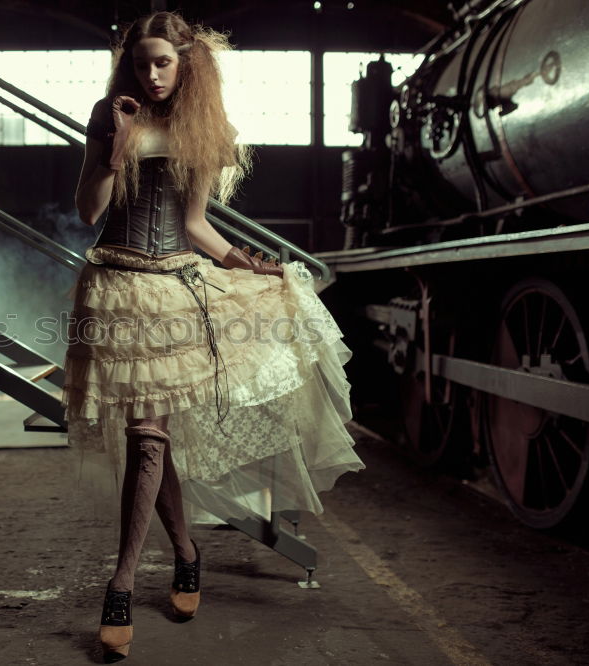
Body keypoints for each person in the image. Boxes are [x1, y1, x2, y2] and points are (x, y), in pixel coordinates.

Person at [61, 11, 364, 662]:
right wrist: (117, 146)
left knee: (149, 435)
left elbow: (195, 223)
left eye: (162, 62)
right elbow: (89, 211)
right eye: (141, 62)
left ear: (186, 63)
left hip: (174, 288)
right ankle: (187, 555)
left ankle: (120, 585)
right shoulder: (108, 111)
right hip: (115, 286)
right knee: (150, 437)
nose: (150, 73)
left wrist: (247, 265)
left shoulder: (201, 126)